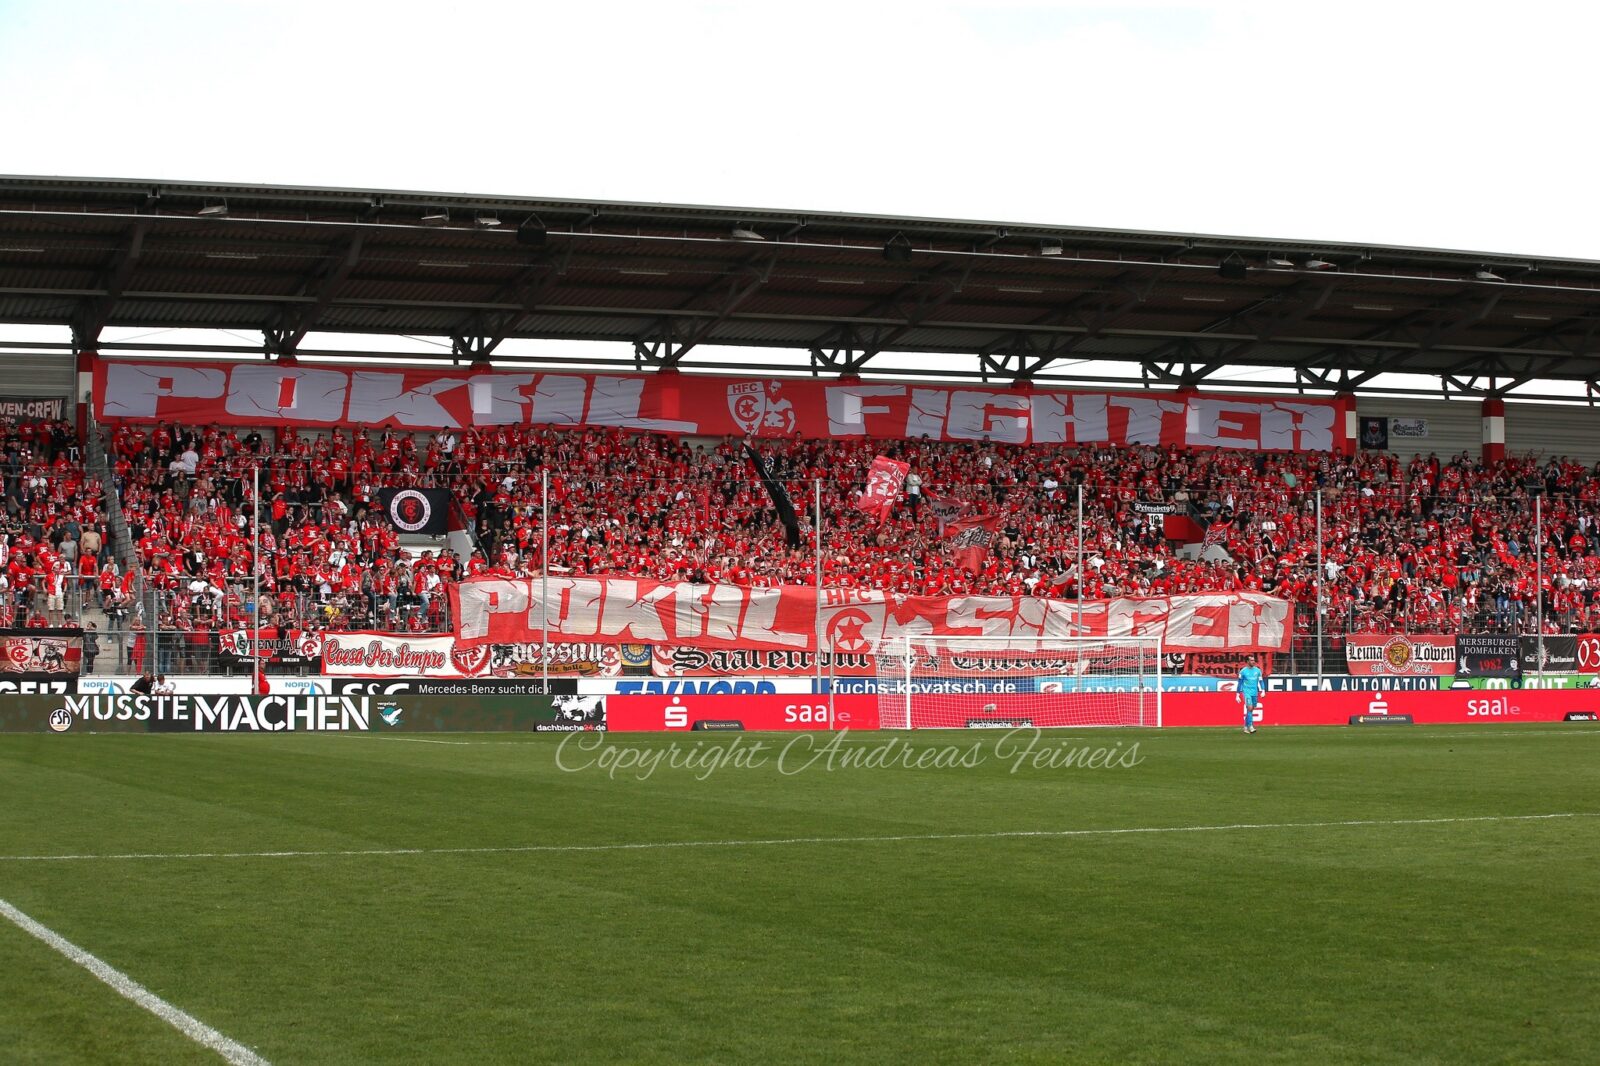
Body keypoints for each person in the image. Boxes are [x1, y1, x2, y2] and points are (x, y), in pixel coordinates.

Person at [1238, 656, 1264, 734]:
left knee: (1251, 709)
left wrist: (1263, 690)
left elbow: (1261, 681)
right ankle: (1251, 726)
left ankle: (1245, 727)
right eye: (1251, 660)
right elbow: (1240, 683)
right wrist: (1237, 694)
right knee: (1249, 708)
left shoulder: (1258, 671)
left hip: (1255, 692)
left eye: (1254, 660)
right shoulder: (1243, 671)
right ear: (1247, 661)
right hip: (1246, 692)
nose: (1253, 661)